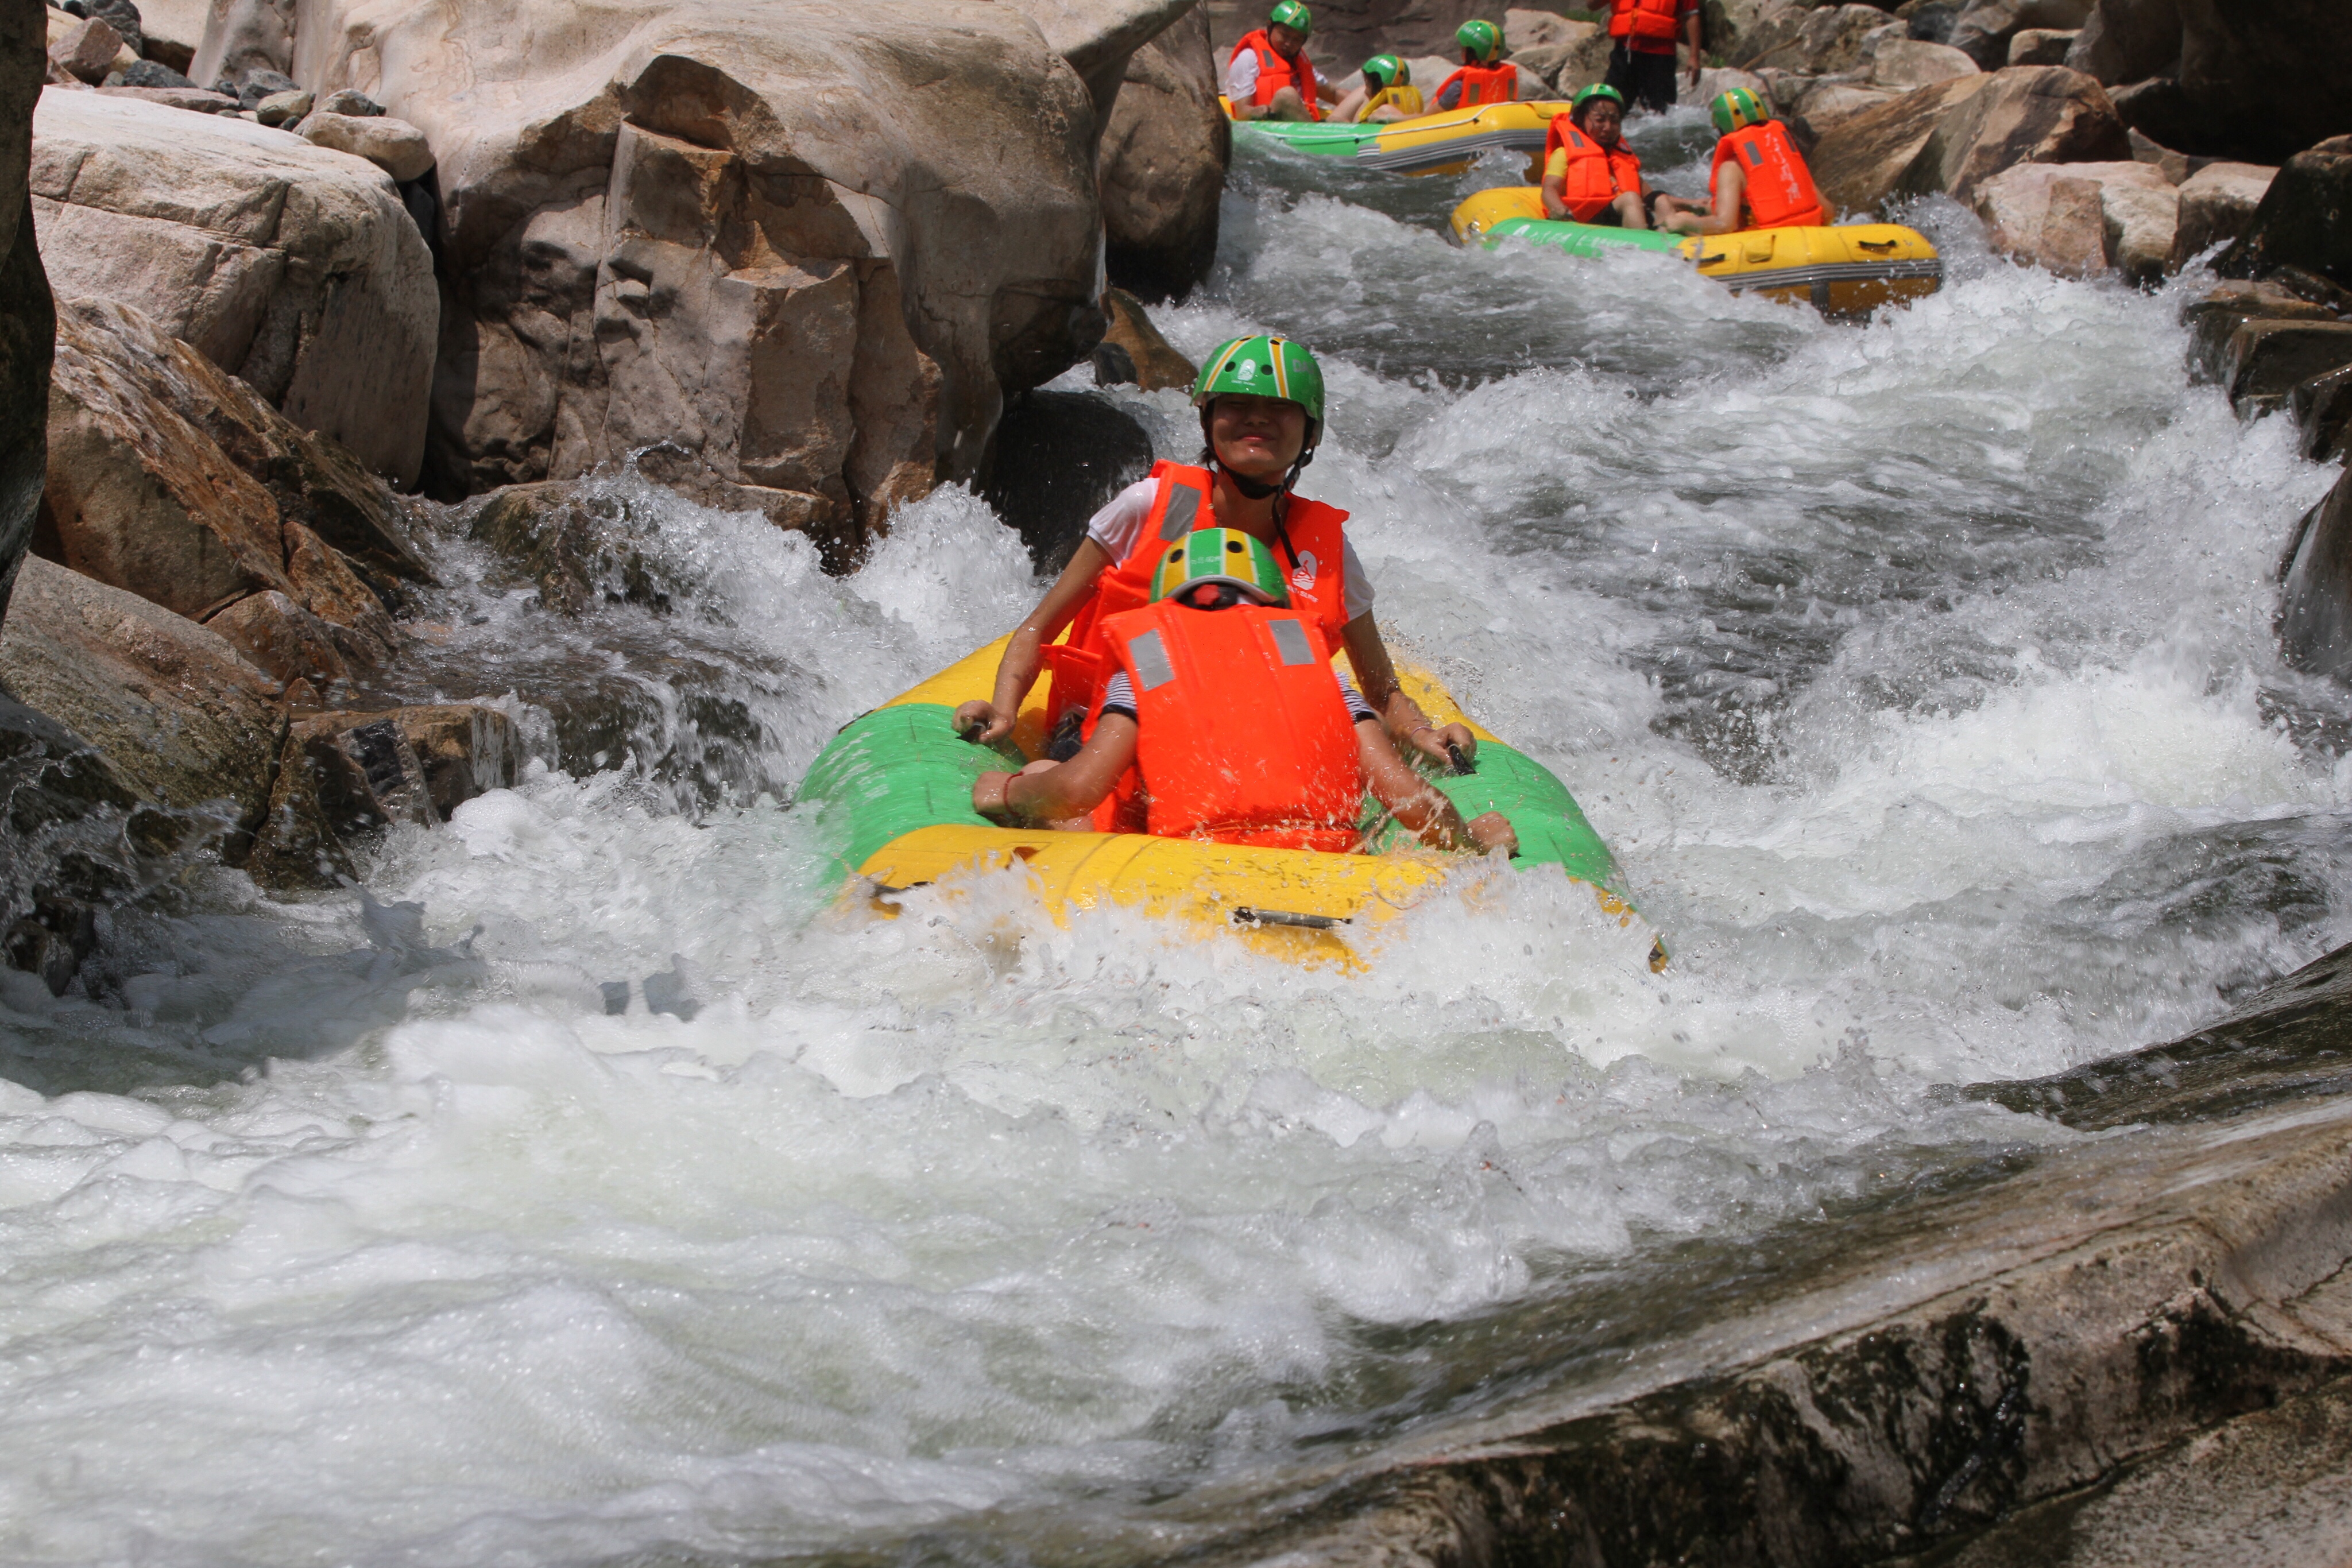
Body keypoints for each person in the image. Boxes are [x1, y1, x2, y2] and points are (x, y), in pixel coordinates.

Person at [954, 334, 1479, 790]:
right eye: (1234, 404)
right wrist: (1004, 709)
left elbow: (1381, 690)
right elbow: (1038, 628)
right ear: (1208, 422)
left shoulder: (1327, 552)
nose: (1255, 417)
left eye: (1279, 408)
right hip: (1106, 724)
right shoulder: (1148, 506)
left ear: (1310, 433)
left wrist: (1424, 733)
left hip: (1245, 742)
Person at [971, 527, 1517, 857]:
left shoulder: (1148, 668)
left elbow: (1080, 788)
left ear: (1166, 612)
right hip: (1320, 867)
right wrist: (1470, 841)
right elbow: (1405, 794)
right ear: (1277, 612)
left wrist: (1011, 792)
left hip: (1184, 866)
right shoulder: (1324, 678)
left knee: (1044, 774)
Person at [1658, 87, 1825, 235]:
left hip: (1768, 239)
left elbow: (1724, 225)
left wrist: (1686, 222)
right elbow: (1828, 210)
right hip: (1809, 229)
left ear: (1723, 129)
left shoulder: (1731, 168)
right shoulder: (1783, 155)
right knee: (1712, 208)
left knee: (1673, 228)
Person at [1541, 84, 1654, 228]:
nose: (1608, 127)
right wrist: (1558, 209)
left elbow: (1652, 197)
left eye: (1614, 121)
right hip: (1586, 221)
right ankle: (1645, 246)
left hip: (1620, 219)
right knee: (1630, 198)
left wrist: (1687, 204)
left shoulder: (1623, 159)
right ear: (1581, 120)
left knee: (1668, 209)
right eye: (1600, 120)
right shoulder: (1564, 154)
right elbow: (1549, 189)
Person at [1227, 0, 1341, 123]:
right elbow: (1242, 113)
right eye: (1284, 35)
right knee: (1286, 95)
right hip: (1269, 126)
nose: (1289, 44)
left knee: (1361, 93)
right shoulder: (1248, 58)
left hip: (1302, 123)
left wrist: (1364, 100)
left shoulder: (1300, 63)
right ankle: (1316, 133)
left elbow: (1334, 94)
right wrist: (1257, 111)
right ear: (1270, 26)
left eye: (1297, 39)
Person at [1601, 0, 1700, 115]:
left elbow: (1692, 15)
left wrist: (1694, 57)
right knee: (1609, 106)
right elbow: (1592, 5)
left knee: (1660, 113)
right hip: (1625, 53)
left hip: (1661, 57)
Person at [1430, 19, 1517, 111]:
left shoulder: (1458, 87)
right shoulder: (1507, 82)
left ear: (1470, 53)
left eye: (1463, 49)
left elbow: (1428, 117)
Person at [1332, 54, 1422, 123]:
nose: (1366, 80)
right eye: (1366, 76)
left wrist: (1386, 118)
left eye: (1373, 79)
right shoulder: (1364, 93)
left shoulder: (1387, 110)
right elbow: (1333, 119)